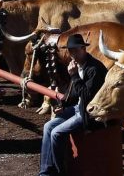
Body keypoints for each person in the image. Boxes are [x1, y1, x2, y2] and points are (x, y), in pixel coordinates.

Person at [39, 34, 106, 176]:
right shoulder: (79, 65)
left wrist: (74, 76)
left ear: (84, 49)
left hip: (89, 113)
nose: (73, 54)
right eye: (70, 51)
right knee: (47, 127)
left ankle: (59, 172)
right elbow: (75, 93)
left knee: (56, 133)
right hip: (77, 108)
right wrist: (63, 104)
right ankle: (45, 172)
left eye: (76, 50)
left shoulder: (94, 69)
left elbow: (88, 97)